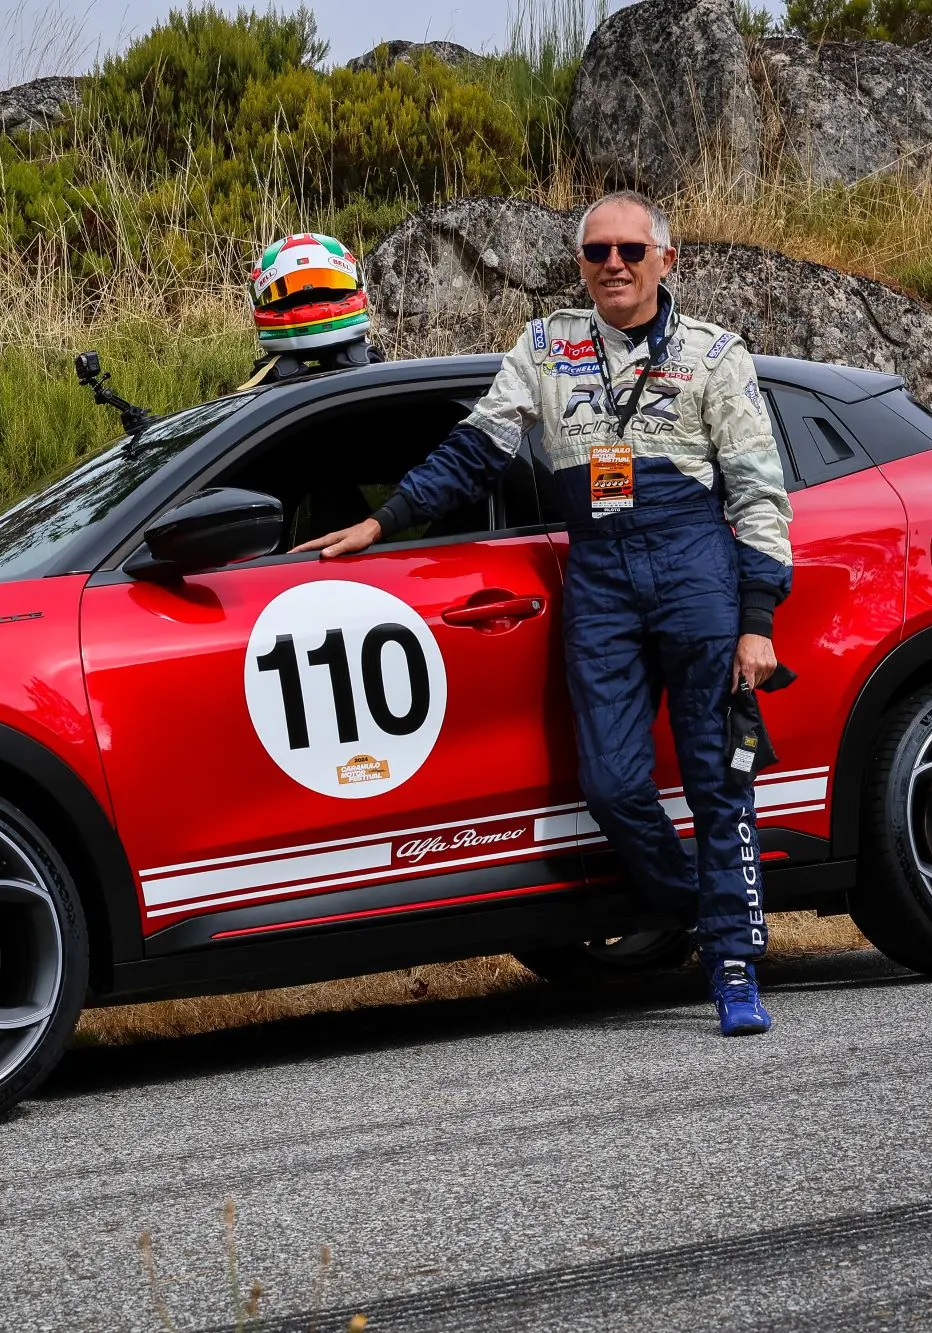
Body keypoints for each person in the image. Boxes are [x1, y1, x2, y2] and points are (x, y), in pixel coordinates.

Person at [291, 191, 793, 1037]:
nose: (614, 265)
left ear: (666, 260)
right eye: (597, 252)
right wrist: (385, 521)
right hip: (596, 570)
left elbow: (758, 493)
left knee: (716, 776)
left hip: (692, 565)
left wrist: (757, 616)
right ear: (581, 263)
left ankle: (734, 969)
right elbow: (477, 448)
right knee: (612, 783)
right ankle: (707, 910)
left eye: (632, 250)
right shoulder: (546, 344)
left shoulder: (714, 355)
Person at [237, 232, 384, 389]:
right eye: (291, 294)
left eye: (325, 289)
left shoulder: (261, 397)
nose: (312, 304)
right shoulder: (383, 380)